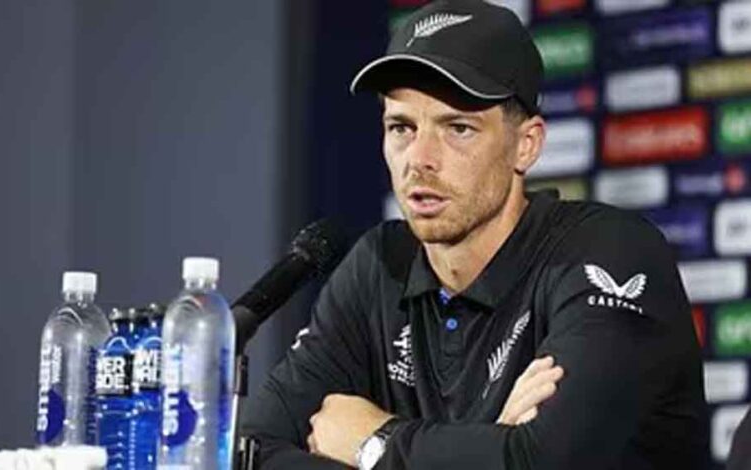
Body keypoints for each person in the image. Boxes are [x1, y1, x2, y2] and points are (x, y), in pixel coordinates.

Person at [241, 0, 709, 468]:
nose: (420, 158)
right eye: (401, 127)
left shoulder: (608, 252)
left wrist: (374, 444)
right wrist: (486, 446)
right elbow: (250, 450)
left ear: (526, 145)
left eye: (458, 128)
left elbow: (548, 461)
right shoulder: (379, 265)